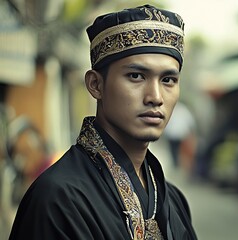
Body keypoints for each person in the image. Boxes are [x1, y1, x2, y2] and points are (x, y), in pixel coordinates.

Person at [9, 4, 198, 240]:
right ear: (95, 85)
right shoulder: (58, 199)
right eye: (136, 76)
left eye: (168, 79)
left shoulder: (173, 200)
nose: (156, 97)